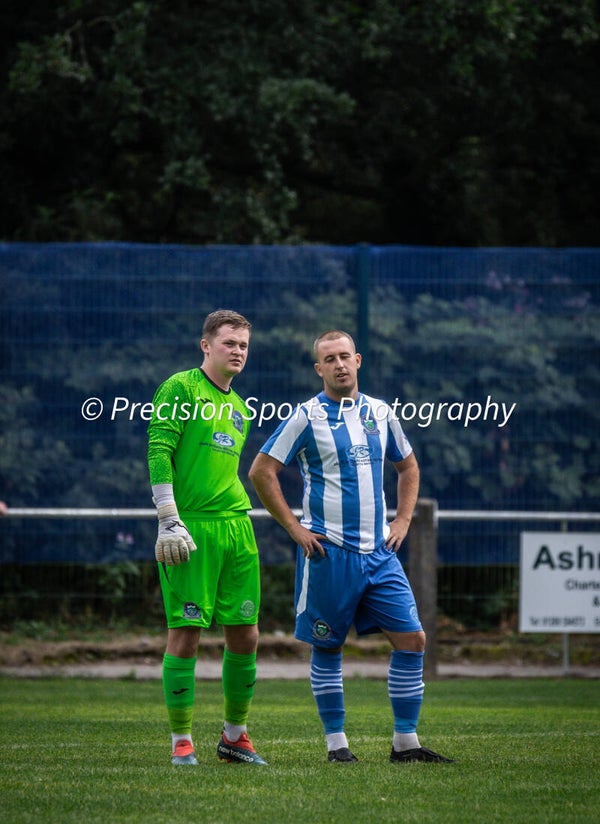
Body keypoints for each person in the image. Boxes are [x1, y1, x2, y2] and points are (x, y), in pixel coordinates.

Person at [248, 330, 452, 764]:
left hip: (380, 554)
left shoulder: (380, 412)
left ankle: (406, 744)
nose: (339, 364)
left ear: (358, 360)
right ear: (318, 368)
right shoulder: (305, 417)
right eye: (329, 359)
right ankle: (337, 746)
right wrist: (294, 528)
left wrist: (402, 518)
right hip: (329, 552)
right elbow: (262, 471)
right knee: (327, 647)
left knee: (413, 640)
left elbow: (408, 466)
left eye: (345, 356)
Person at [147, 309, 266, 766]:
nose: (237, 352)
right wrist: (167, 517)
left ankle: (234, 736)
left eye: (243, 346)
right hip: (190, 527)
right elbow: (159, 451)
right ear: (206, 346)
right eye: (229, 343)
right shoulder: (180, 388)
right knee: (187, 634)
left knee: (247, 635)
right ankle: (181, 741)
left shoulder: (240, 407)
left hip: (237, 526)